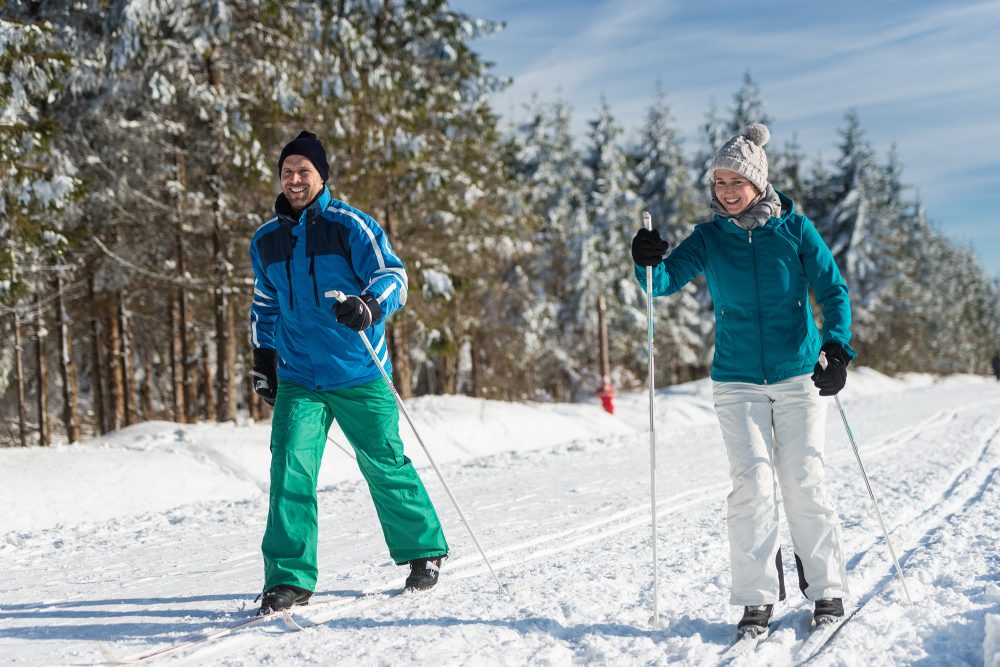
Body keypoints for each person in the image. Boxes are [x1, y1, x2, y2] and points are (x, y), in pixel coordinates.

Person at [631, 123, 854, 637]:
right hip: (735, 379)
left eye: (737, 182)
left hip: (798, 375)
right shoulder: (709, 236)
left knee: (802, 479)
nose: (727, 192)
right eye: (719, 183)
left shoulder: (795, 230)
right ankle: (756, 599)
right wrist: (644, 257)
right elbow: (661, 282)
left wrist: (837, 346)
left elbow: (832, 288)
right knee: (750, 484)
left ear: (759, 183)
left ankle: (826, 589)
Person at [248, 131, 448, 615]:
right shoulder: (266, 240)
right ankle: (289, 579)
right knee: (289, 469)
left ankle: (424, 552)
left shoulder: (350, 226)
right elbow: (266, 302)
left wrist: (368, 304)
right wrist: (262, 359)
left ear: (322, 177)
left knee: (384, 462)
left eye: (304, 172)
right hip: (300, 377)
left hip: (360, 370)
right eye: (287, 171)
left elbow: (393, 276)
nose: (295, 180)